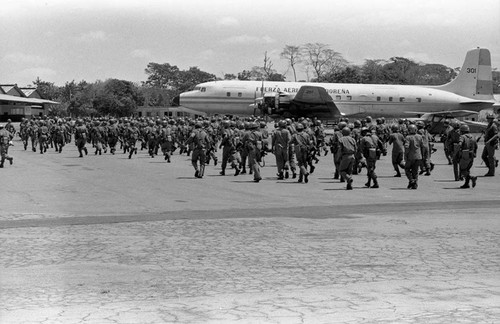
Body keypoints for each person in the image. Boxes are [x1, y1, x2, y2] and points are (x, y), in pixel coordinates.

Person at [404, 124, 423, 189]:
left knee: (407, 169)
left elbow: (407, 147)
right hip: (418, 156)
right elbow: (422, 146)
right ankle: (415, 184)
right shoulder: (420, 137)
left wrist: (406, 155)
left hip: (410, 156)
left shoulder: (408, 137)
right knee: (415, 171)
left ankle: (411, 180)